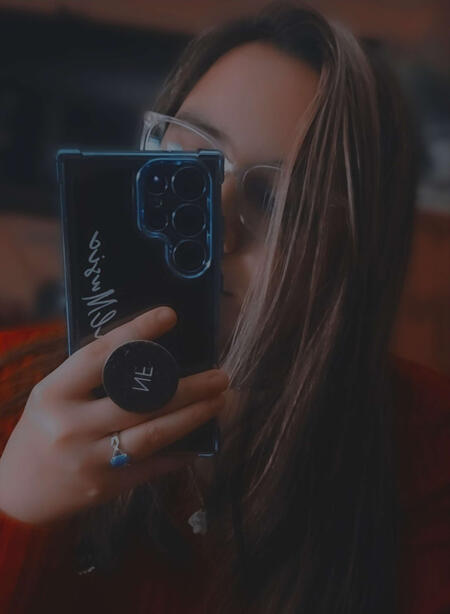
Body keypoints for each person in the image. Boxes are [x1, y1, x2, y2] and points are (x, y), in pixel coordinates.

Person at [0, 2, 449, 613]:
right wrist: (15, 511)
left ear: (357, 255)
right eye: (188, 163)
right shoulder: (10, 386)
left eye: (278, 201)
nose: (211, 226)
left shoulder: (429, 453)